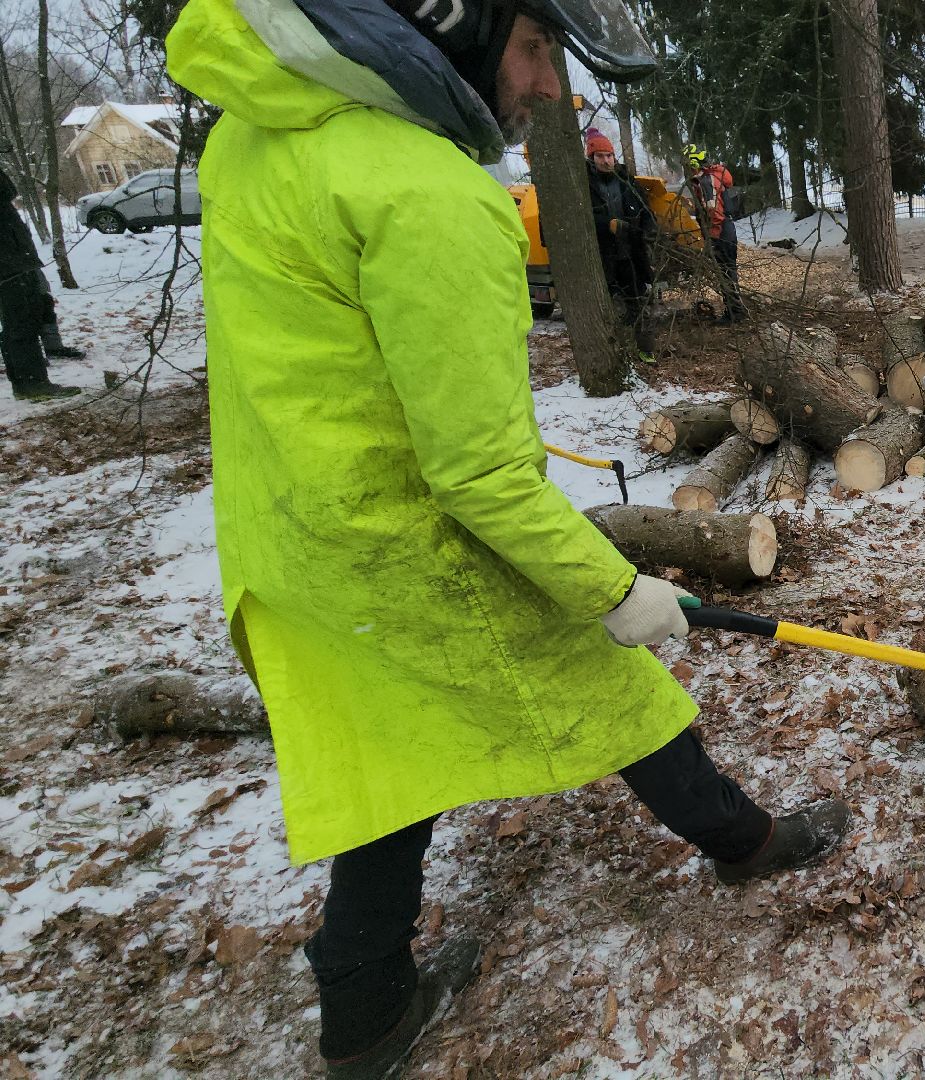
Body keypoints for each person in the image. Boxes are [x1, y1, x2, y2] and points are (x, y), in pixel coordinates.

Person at [165, 0, 850, 1075]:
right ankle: (744, 843)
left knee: (387, 758)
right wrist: (617, 589)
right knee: (617, 680)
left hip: (296, 534)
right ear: (451, 26)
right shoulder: (425, 194)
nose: (541, 85)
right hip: (411, 544)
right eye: (532, 49)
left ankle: (365, 998)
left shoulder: (259, 140)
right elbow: (479, 474)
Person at [1, 166, 80, 401]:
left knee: (17, 324)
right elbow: (7, 190)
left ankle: (24, 385)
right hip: (9, 266)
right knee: (22, 324)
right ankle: (34, 385)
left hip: (12, 264)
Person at [584, 130, 655, 354]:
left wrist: (648, 228)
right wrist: (607, 224)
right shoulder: (585, 183)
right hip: (602, 256)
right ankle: (615, 352)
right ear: (591, 158)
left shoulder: (625, 180)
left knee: (637, 301)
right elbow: (581, 217)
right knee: (609, 307)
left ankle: (644, 351)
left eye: (609, 155)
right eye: (600, 156)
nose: (606, 161)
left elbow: (645, 211)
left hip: (629, 253)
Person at [682, 144, 746, 323]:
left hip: (721, 232)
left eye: (687, 166)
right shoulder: (709, 179)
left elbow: (714, 213)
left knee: (726, 272)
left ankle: (735, 313)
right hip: (725, 230)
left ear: (693, 164)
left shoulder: (707, 181)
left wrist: (711, 237)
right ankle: (735, 311)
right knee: (728, 272)